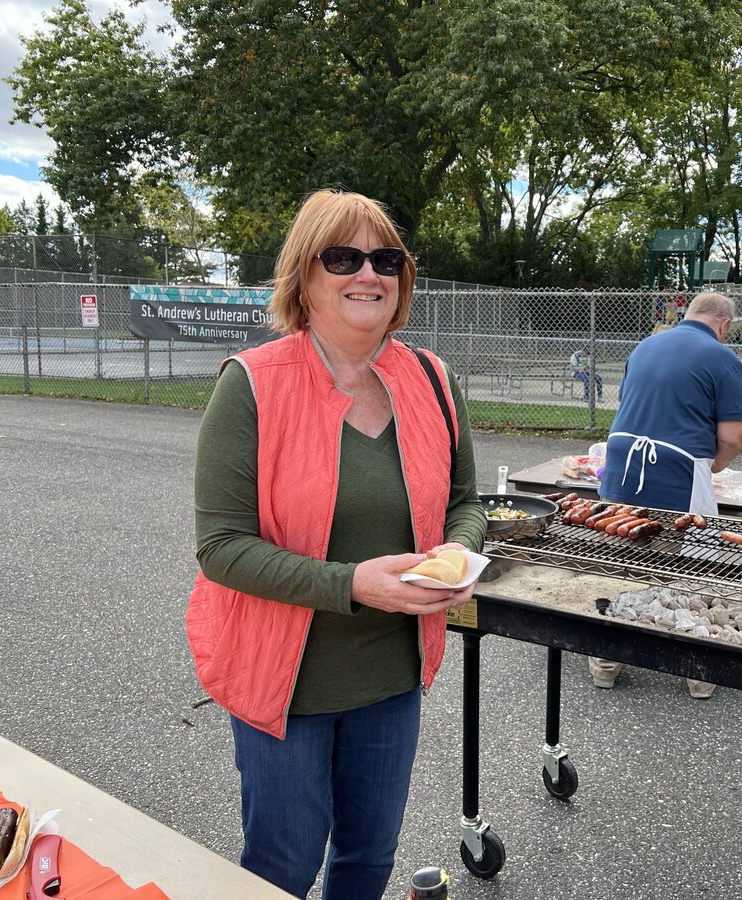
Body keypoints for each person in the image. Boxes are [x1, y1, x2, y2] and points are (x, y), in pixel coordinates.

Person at [185, 190, 487, 900]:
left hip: (390, 679)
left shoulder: (434, 381)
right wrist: (350, 583)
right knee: (282, 867)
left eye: (385, 259)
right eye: (343, 257)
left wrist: (460, 557)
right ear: (305, 276)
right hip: (285, 683)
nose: (368, 274)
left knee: (366, 862)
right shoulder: (252, 385)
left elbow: (465, 505)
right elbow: (221, 546)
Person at [591, 292, 742, 699]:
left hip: (622, 456)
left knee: (622, 557)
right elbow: (731, 437)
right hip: (678, 464)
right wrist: (712, 468)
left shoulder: (645, 345)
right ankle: (696, 671)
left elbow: (632, 405)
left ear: (688, 314)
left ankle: (605, 660)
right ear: (724, 325)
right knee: (693, 562)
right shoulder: (723, 357)